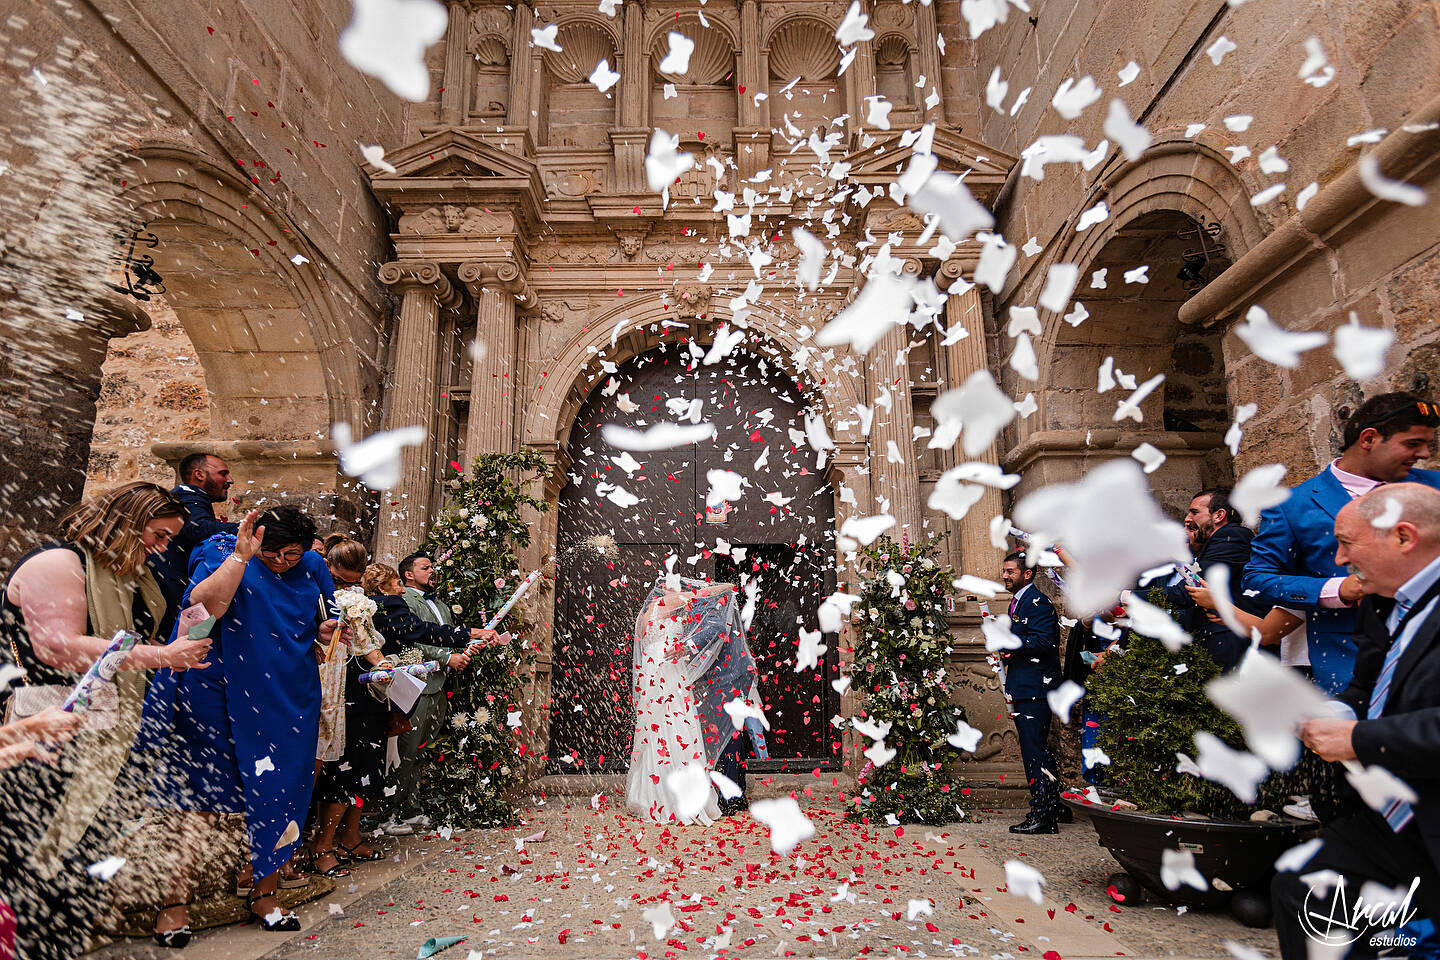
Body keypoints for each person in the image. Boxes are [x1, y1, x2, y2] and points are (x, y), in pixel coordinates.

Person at [0, 482, 208, 960]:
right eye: (157, 535)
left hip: (113, 733)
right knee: (38, 859)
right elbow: (58, 647)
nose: (161, 548)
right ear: (126, 521)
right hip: (48, 735)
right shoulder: (58, 563)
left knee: (87, 862)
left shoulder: (131, 576)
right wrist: (161, 655)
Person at [144, 505, 344, 944]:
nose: (281, 562)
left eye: (291, 554)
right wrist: (243, 556)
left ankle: (264, 893)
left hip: (287, 691)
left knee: (282, 791)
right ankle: (174, 903)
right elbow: (199, 609)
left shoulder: (312, 565)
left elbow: (326, 619)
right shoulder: (218, 549)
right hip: (218, 686)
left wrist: (326, 633)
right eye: (273, 553)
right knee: (199, 798)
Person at [1272, 484, 1440, 959]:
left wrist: (1359, 738)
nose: (1341, 560)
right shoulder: (1383, 601)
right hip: (1392, 812)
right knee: (1304, 892)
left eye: (1347, 542)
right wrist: (1335, 712)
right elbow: (1368, 684)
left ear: (1403, 537)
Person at [1244, 393, 1440, 695]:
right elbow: (1257, 580)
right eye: (1413, 444)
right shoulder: (1291, 506)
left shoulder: (1435, 486)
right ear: (1369, 439)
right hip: (1353, 668)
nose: (1425, 454)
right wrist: (1335, 590)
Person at [375, 556, 498, 836]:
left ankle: (412, 809)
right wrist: (446, 657)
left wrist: (468, 645)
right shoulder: (403, 601)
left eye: (433, 567)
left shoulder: (441, 605)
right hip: (414, 683)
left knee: (420, 750)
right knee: (404, 751)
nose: (432, 571)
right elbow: (414, 638)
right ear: (407, 575)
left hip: (437, 685)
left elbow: (445, 635)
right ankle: (388, 813)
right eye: (425, 568)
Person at [626, 578, 751, 825]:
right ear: (666, 589)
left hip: (651, 671)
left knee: (655, 732)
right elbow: (702, 593)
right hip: (668, 671)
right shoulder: (667, 601)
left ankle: (649, 796)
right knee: (677, 726)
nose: (683, 589)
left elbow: (647, 644)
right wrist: (727, 587)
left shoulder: (645, 615)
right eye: (678, 586)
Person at [307, 539, 391, 876]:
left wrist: (383, 664)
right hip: (306, 681)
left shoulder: (355, 605)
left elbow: (367, 643)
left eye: (351, 583)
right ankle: (294, 852)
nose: (344, 589)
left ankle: (321, 844)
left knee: (337, 768)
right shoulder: (305, 591)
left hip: (337, 691)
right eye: (339, 581)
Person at [1165, 487, 1269, 671]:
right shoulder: (1217, 544)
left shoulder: (1233, 536)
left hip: (1230, 642)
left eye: (1194, 512)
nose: (1187, 518)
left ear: (1219, 515)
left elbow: (1190, 590)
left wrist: (1124, 596)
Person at [999, 552, 1066, 834]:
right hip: (1027, 685)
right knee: (1038, 749)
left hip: (1036, 687)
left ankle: (1043, 814)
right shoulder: (1021, 602)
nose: (1004, 576)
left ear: (1027, 574)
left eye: (1010, 571)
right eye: (1004, 571)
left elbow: (1043, 641)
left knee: (1034, 751)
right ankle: (1054, 806)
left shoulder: (1038, 603)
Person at [150, 453, 238, 621]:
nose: (230, 480)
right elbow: (199, 528)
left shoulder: (191, 498)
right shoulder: (188, 496)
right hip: (171, 591)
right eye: (223, 473)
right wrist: (247, 528)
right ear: (199, 474)